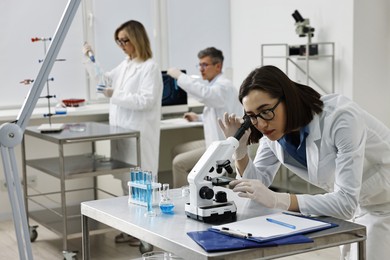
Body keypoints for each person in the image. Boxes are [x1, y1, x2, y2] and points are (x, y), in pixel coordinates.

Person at [219, 65, 390, 260]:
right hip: (358, 206)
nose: (262, 124)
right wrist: (240, 151)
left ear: (287, 99)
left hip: (384, 206)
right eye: (252, 117)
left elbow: (345, 203)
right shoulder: (273, 135)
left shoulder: (341, 118)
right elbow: (259, 185)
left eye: (266, 111)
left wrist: (278, 199)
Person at [83, 20, 163, 246]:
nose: (121, 45)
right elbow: (103, 82)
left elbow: (146, 101)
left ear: (137, 38)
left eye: (125, 40)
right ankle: (132, 229)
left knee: (143, 183)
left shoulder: (149, 67)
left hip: (140, 134)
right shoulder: (126, 65)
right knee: (127, 183)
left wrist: (114, 94)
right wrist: (91, 59)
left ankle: (147, 232)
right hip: (122, 133)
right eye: (118, 41)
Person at [167, 47, 243, 188]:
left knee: (178, 163)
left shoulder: (223, 86)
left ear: (218, 66)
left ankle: (184, 198)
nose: (201, 69)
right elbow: (219, 112)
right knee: (177, 149)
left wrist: (180, 76)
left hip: (223, 147)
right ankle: (195, 184)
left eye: (205, 65)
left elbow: (207, 95)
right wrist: (199, 117)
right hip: (214, 141)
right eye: (200, 65)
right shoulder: (216, 87)